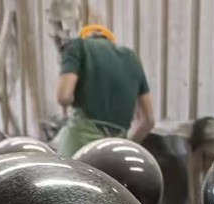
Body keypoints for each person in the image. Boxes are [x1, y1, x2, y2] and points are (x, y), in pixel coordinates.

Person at [52, 24, 155, 158]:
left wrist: (74, 97)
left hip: (80, 143)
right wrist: (126, 144)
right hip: (116, 148)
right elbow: (148, 121)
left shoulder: (77, 46)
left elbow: (63, 97)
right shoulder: (132, 58)